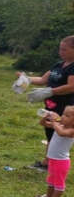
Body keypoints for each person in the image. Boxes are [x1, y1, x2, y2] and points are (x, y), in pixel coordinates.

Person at [20, 35, 74, 171]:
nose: (60, 52)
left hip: (66, 106)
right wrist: (26, 78)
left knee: (58, 134)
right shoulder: (58, 65)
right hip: (52, 104)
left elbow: (71, 86)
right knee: (50, 132)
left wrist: (50, 91)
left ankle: (51, 164)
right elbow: (43, 79)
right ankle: (48, 162)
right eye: (60, 49)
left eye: (64, 50)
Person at [35, 105, 74, 197]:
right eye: (63, 114)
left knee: (59, 183)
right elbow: (43, 123)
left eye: (67, 115)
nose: (63, 117)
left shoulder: (71, 130)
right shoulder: (60, 125)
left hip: (62, 161)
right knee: (51, 180)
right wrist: (46, 116)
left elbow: (61, 133)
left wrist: (54, 122)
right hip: (53, 159)